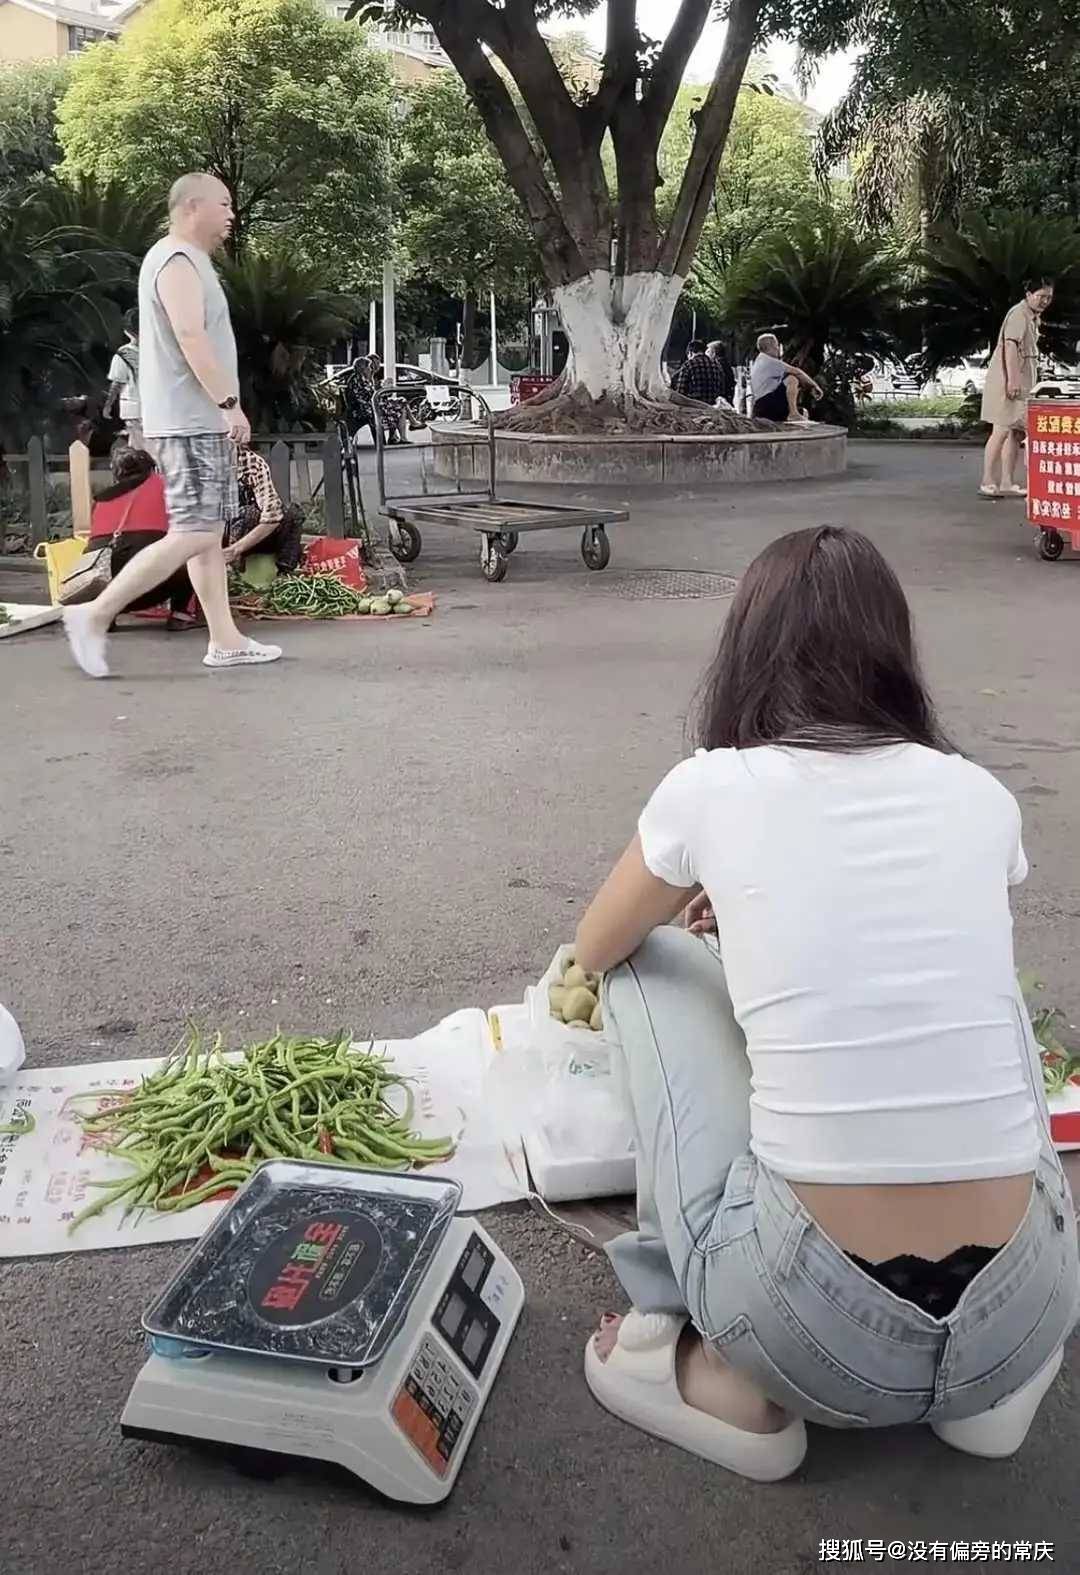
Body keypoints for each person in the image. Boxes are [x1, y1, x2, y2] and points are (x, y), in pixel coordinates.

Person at [575, 525, 1077, 1482]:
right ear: (895, 653)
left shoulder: (711, 785)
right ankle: (988, 1395)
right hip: (1027, 1309)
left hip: (804, 1328)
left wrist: (701, 909)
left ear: (748, 651)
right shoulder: (980, 795)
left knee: (646, 957)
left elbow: (597, 943)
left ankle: (712, 1367)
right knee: (985, 987)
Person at [61, 172, 281, 678]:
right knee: (193, 531)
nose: (232, 215)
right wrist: (228, 402)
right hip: (188, 419)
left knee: (206, 532)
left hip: (192, 418)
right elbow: (189, 335)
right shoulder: (176, 260)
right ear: (191, 207)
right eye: (224, 204)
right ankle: (93, 615)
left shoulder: (190, 260)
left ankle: (225, 640)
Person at [88, 446, 196, 630]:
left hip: (105, 592)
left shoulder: (100, 500)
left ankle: (106, 616)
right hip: (153, 587)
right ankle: (181, 614)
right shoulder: (167, 487)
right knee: (196, 545)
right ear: (152, 468)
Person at [979, 278, 1053, 499]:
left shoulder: (1033, 317)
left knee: (1015, 433)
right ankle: (987, 480)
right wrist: (1012, 381)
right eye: (1041, 296)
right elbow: (1010, 347)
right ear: (1028, 295)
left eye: (1049, 297)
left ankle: (1006, 482)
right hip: (1008, 381)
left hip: (1023, 383)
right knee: (1001, 429)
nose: (1045, 301)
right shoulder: (1018, 315)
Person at [223, 446, 304, 573]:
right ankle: (231, 572)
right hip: (212, 535)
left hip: (246, 535)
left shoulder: (253, 463)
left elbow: (273, 515)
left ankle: (285, 573)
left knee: (292, 514)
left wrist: (234, 550)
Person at [750, 333, 823, 423]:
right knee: (792, 378)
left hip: (760, 407)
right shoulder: (769, 361)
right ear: (771, 346)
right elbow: (797, 371)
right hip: (767, 404)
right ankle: (793, 413)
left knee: (803, 410)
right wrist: (815, 386)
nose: (778, 349)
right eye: (777, 345)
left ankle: (794, 412)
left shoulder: (759, 360)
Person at [103, 308, 144, 451]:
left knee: (138, 447)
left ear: (127, 331)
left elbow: (117, 383)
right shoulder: (158, 350)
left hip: (134, 408)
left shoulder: (123, 354)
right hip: (158, 407)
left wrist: (108, 405)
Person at [671, 339, 728, 406]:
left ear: (690, 353)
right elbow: (722, 391)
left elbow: (680, 393)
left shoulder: (688, 365)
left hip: (693, 407)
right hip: (712, 407)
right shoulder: (717, 365)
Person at [706, 340, 736, 407]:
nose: (705, 354)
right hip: (727, 396)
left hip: (720, 400)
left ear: (714, 353)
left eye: (708, 351)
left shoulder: (716, 365)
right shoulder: (725, 363)